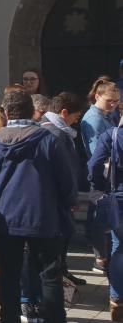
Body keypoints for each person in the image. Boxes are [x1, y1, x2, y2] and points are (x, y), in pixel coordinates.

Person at [0, 90, 76, 323]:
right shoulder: (47, 139)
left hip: (7, 217)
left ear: (5, 112)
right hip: (43, 216)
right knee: (49, 274)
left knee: (9, 274)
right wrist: (67, 204)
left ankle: (9, 318)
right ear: (32, 111)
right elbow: (66, 180)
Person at [41, 92, 89, 287]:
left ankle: (62, 272)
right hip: (57, 199)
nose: (76, 122)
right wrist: (71, 199)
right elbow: (65, 171)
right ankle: (56, 281)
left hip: (55, 198)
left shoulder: (53, 129)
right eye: (75, 117)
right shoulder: (56, 133)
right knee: (59, 239)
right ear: (63, 112)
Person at [83, 78, 120, 273]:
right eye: (110, 100)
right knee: (100, 218)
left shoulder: (106, 115)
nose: (113, 104)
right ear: (97, 96)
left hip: (108, 174)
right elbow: (97, 152)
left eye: (116, 101)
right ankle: (101, 259)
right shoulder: (94, 118)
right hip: (103, 175)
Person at [89, 110, 123, 321]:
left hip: (118, 198)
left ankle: (117, 301)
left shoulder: (111, 135)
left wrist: (98, 187)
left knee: (119, 248)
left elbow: (94, 164)